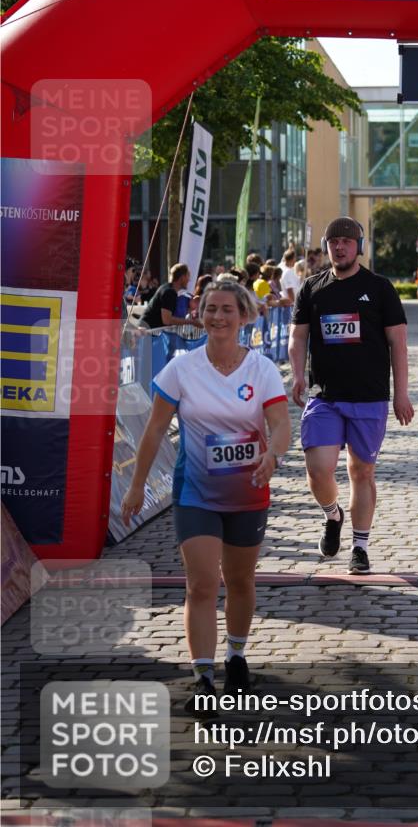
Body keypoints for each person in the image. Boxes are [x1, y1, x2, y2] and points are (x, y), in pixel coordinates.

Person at [121, 280, 291, 697]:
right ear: (200, 313)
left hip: (249, 491)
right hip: (195, 492)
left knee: (241, 581)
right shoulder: (181, 369)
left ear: (244, 316)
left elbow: (281, 425)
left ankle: (236, 655)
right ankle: (203, 675)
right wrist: (136, 485)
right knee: (200, 583)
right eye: (210, 308)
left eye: (227, 310)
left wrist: (273, 456)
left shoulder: (262, 369)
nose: (217, 317)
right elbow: (155, 429)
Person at [289, 216, 414, 575]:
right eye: (333, 242)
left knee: (361, 472)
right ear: (327, 247)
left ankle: (360, 546)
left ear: (359, 246)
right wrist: (297, 375)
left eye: (347, 241)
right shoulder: (312, 288)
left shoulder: (379, 288)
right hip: (324, 396)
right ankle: (333, 515)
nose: (339, 247)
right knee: (317, 469)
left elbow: (398, 344)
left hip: (369, 396)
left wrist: (401, 395)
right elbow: (298, 337)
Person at [138, 263, 195, 329]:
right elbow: (167, 320)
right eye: (188, 276)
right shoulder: (169, 292)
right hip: (147, 332)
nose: (189, 280)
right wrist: (192, 322)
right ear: (182, 278)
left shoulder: (167, 289)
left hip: (149, 331)